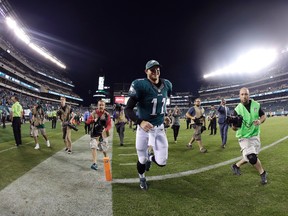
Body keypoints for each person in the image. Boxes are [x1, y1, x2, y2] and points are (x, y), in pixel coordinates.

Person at [124, 59, 172, 190]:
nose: (156, 71)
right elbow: (127, 109)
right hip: (144, 129)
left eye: (158, 68)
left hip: (160, 128)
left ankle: (152, 157)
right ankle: (142, 177)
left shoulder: (167, 84)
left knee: (162, 162)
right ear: (146, 71)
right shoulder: (139, 85)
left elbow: (163, 102)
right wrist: (140, 121)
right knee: (142, 159)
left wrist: (166, 116)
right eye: (152, 69)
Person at [230, 87, 268, 185]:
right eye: (242, 94)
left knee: (253, 155)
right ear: (239, 96)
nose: (244, 96)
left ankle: (236, 165)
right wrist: (234, 125)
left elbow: (263, 116)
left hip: (255, 135)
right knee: (252, 157)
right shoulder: (237, 109)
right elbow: (234, 128)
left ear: (249, 95)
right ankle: (263, 173)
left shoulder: (256, 105)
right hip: (244, 137)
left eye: (246, 94)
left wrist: (259, 121)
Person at [86, 100, 111, 170]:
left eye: (102, 105)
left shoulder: (107, 114)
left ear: (104, 106)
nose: (101, 106)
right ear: (97, 106)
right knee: (93, 146)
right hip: (94, 133)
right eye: (100, 105)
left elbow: (109, 125)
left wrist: (105, 130)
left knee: (104, 149)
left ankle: (106, 158)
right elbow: (87, 121)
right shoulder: (94, 113)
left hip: (104, 133)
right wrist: (94, 120)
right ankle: (94, 163)